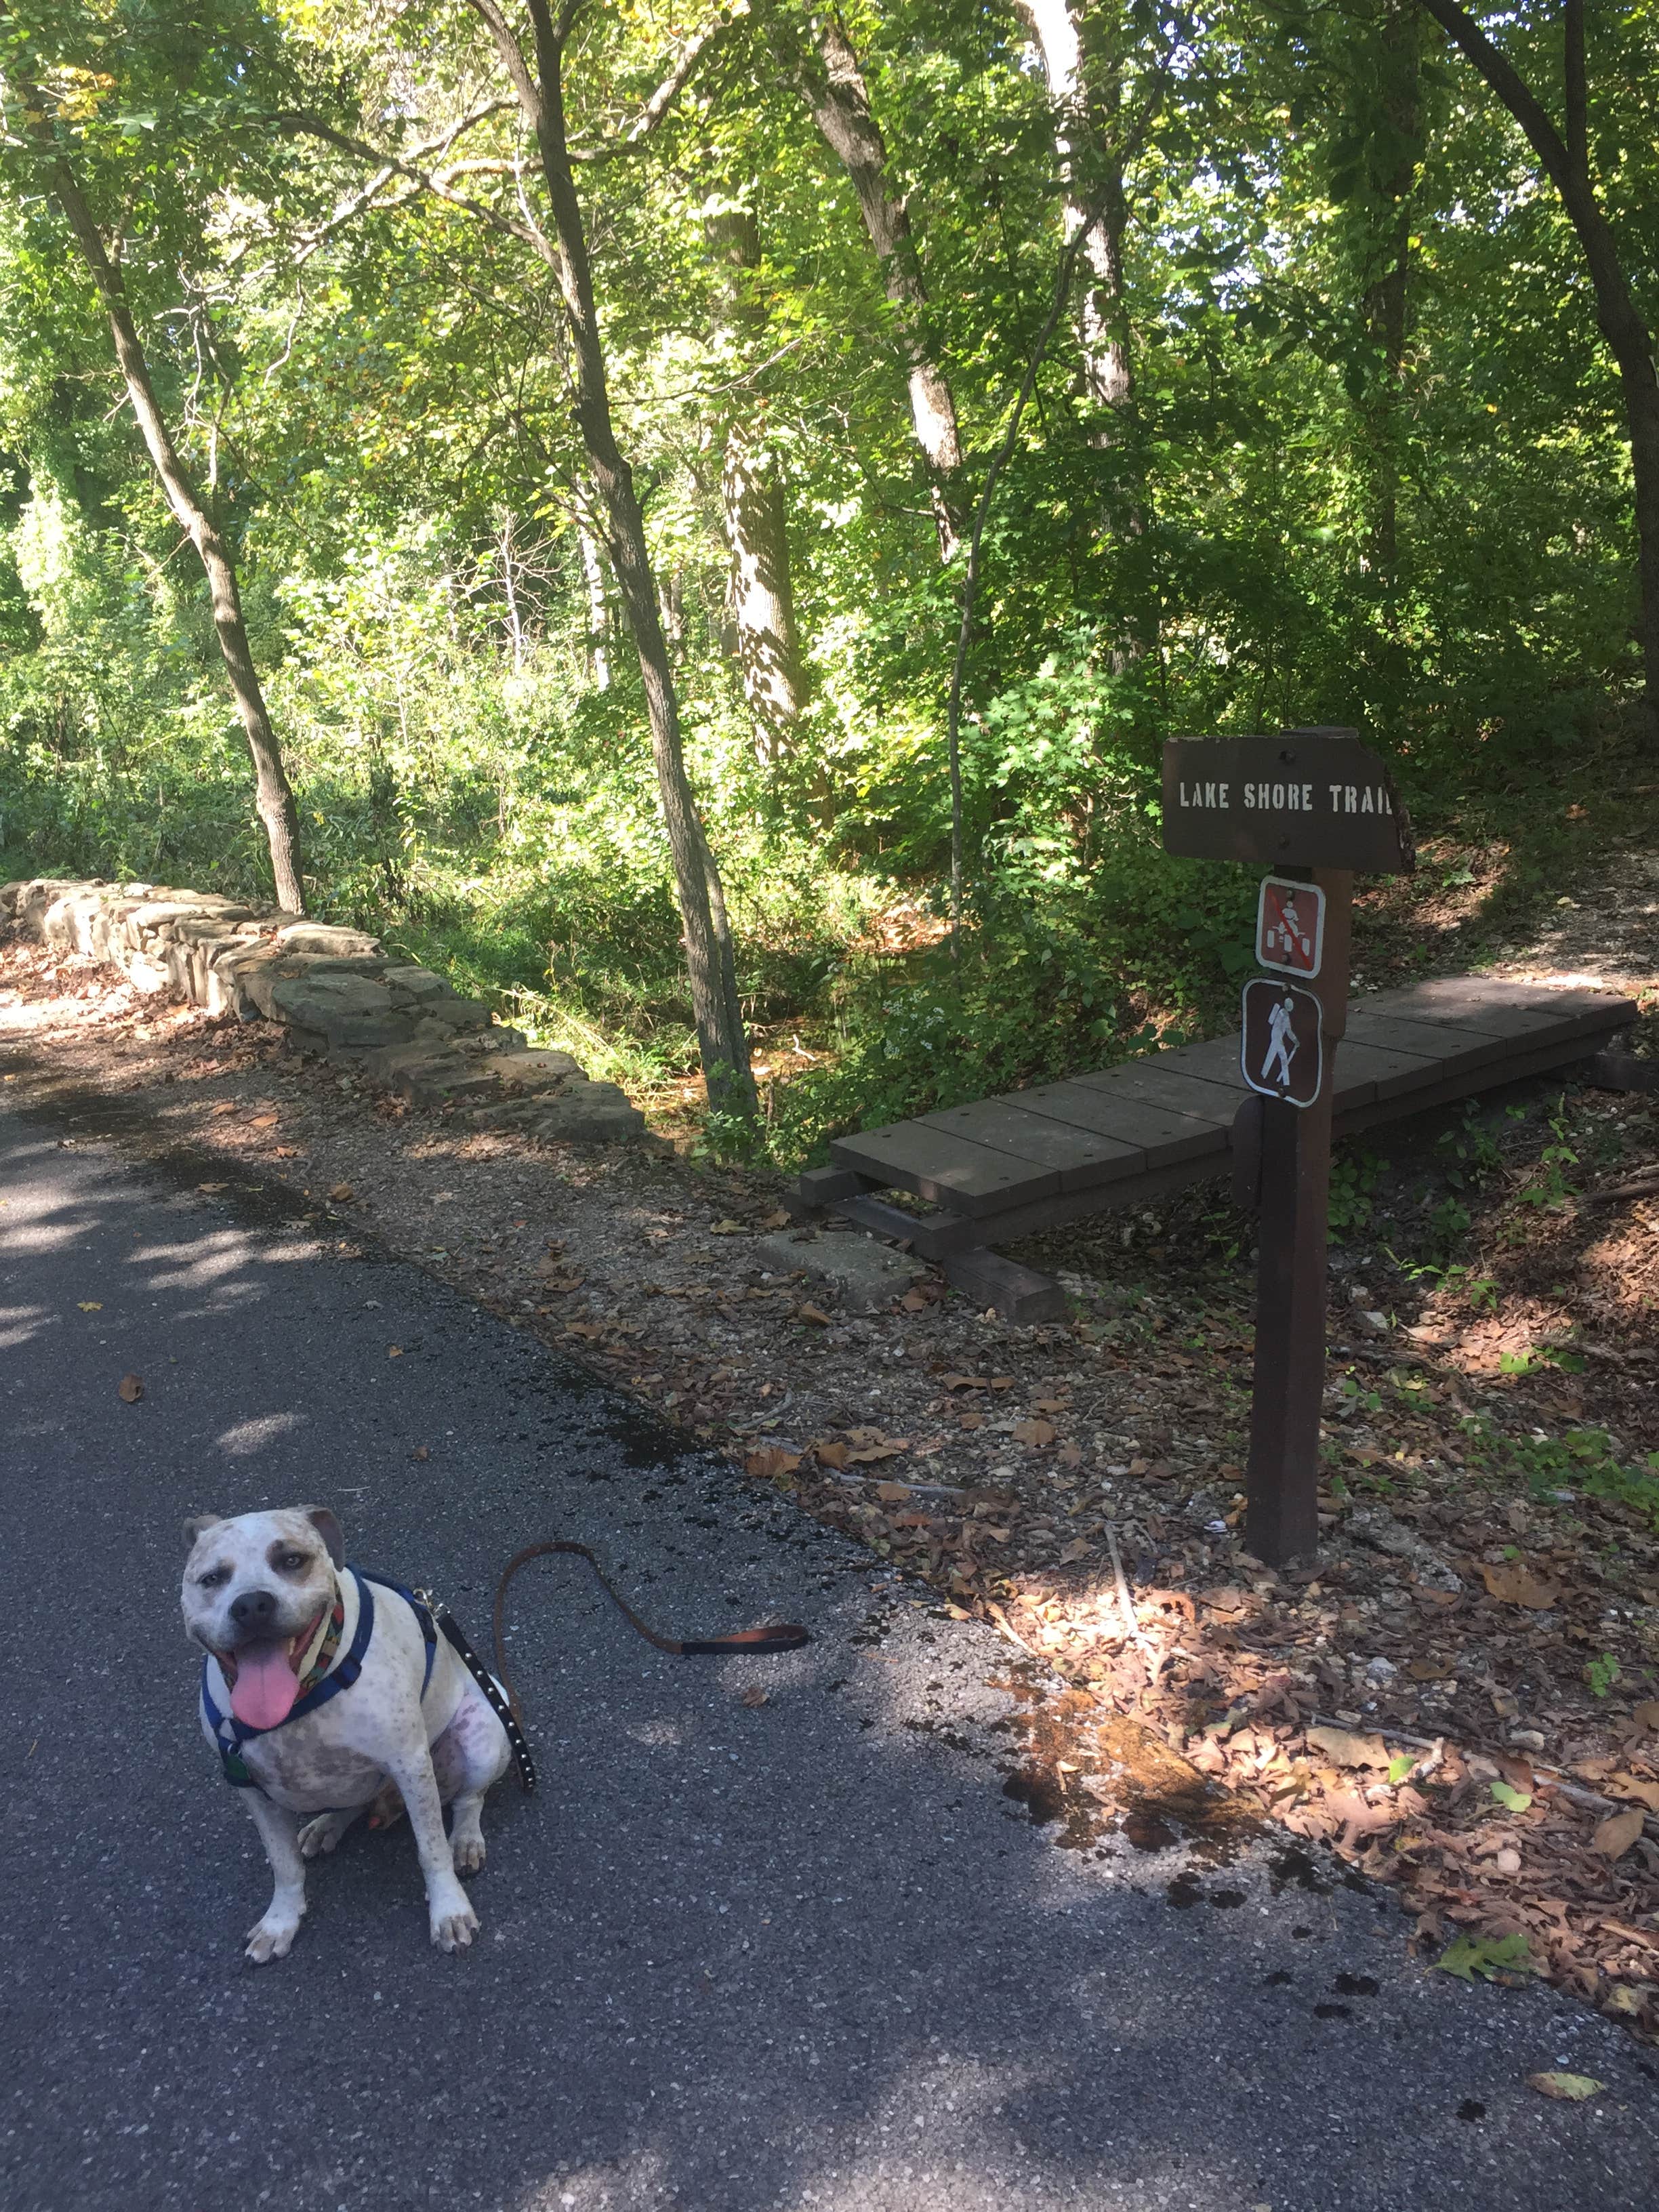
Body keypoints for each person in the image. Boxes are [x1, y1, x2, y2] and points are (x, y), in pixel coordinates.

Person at [1263, 994, 1298, 1088]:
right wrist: (1296, 1041)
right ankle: (1286, 1082)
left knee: (1271, 1056)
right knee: (1284, 1059)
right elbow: (1289, 1031)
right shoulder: (1285, 1016)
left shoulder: (1280, 1012)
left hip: (1274, 1037)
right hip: (1277, 1039)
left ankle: (1264, 1075)